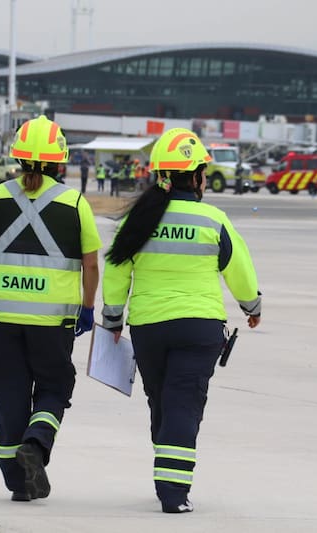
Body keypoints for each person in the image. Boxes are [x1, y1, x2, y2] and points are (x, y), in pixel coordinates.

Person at [101, 127, 262, 514]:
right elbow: (239, 269)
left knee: (161, 402)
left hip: (149, 328)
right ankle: (173, 492)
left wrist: (113, 318)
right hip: (198, 327)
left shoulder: (138, 220)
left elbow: (117, 271)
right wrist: (252, 307)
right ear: (196, 177)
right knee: (183, 405)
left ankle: (168, 469)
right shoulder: (213, 219)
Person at [0, 115, 102, 503]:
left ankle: (17, 482)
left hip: (1, 317)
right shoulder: (74, 202)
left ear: (18, 157)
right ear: (61, 161)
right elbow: (91, 264)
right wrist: (88, 307)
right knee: (55, 386)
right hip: (53, 320)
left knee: (10, 393)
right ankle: (37, 443)